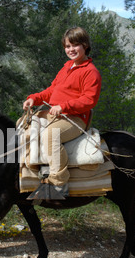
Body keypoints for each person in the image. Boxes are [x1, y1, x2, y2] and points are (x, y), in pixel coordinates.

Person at [23, 27, 102, 198]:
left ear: (85, 45)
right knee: (23, 125)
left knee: (51, 134)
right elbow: (51, 91)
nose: (71, 50)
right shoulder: (67, 66)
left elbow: (89, 100)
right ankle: (35, 169)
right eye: (67, 46)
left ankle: (59, 183)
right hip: (56, 114)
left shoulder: (91, 72)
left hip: (75, 118)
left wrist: (64, 106)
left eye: (75, 45)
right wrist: (33, 99)